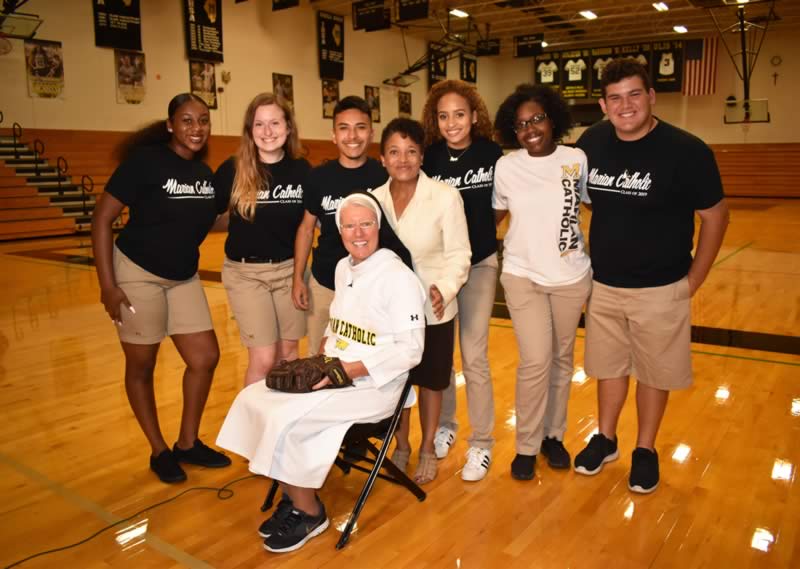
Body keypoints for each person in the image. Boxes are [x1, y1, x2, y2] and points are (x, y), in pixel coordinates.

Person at [216, 193, 425, 553]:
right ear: (338, 230)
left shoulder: (399, 277)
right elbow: (339, 322)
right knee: (255, 397)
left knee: (289, 419)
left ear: (379, 227)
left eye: (366, 224)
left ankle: (310, 511)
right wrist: (322, 355)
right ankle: (293, 494)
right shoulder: (344, 267)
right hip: (336, 371)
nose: (358, 233)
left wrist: (348, 370)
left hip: (375, 385)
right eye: (349, 225)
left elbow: (411, 350)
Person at [573, 58, 729, 493]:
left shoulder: (688, 150)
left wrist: (693, 281)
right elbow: (587, 199)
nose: (626, 106)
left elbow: (716, 217)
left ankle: (645, 448)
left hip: (662, 286)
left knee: (653, 373)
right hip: (604, 285)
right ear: (603, 104)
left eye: (634, 94)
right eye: (616, 98)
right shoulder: (592, 142)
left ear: (651, 97)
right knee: (608, 368)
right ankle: (605, 439)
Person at [91, 93, 231, 483]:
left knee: (204, 358)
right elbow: (101, 220)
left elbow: (208, 222)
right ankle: (159, 450)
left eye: (203, 120)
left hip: (182, 276)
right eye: (187, 120)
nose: (196, 128)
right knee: (141, 365)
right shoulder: (145, 163)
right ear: (170, 125)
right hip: (137, 272)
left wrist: (249, 211)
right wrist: (108, 285)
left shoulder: (204, 174)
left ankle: (187, 442)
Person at [493, 84, 592, 480]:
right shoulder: (507, 167)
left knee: (562, 360)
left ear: (553, 119)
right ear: (511, 131)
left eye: (536, 119)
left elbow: (593, 205)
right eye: (520, 125)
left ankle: (554, 436)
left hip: (571, 277)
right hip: (523, 275)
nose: (530, 129)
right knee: (536, 360)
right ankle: (526, 445)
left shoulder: (576, 159)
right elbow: (494, 217)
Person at [372, 118, 471, 484]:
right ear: (382, 158)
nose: (403, 159)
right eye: (394, 152)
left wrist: (443, 289)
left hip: (434, 308)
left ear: (422, 156)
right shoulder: (373, 200)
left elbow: (460, 254)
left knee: (430, 381)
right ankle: (400, 444)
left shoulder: (445, 197)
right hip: (388, 314)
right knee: (397, 381)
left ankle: (427, 446)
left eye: (411, 151)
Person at [420, 79, 504, 482]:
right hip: (439, 268)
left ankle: (482, 443)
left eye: (459, 114)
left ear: (474, 116)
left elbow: (498, 208)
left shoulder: (492, 154)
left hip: (480, 265)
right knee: (440, 353)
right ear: (434, 121)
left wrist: (477, 238)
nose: (452, 123)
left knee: (474, 355)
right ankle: (446, 426)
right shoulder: (429, 158)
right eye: (443, 116)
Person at [213, 93, 310, 386]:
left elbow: (311, 224)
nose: (267, 132)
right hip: (246, 274)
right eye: (259, 124)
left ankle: (280, 425)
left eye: (275, 123)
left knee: (289, 353)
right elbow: (204, 214)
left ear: (288, 127)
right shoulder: (232, 169)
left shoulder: (302, 170)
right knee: (265, 359)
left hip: (290, 272)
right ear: (250, 130)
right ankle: (251, 428)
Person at [292, 96, 387, 355]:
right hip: (325, 283)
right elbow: (306, 229)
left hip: (371, 284)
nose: (352, 135)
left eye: (360, 127)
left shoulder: (384, 176)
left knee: (364, 358)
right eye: (344, 128)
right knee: (318, 358)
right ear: (334, 135)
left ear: (371, 133)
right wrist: (298, 278)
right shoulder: (318, 177)